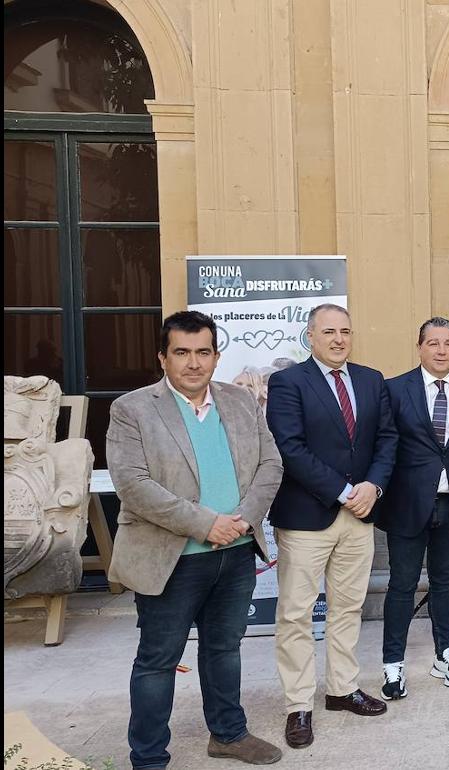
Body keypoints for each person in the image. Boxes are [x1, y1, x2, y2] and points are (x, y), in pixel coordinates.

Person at [107, 311, 284, 769]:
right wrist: (205, 524)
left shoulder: (241, 402)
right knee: (157, 660)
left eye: (202, 352)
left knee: (224, 650)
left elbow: (271, 465)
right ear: (162, 358)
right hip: (173, 559)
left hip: (237, 551)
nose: (193, 363)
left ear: (215, 356)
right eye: (181, 353)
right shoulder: (133, 409)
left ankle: (227, 734)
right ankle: (147, 758)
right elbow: (134, 485)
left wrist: (244, 518)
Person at [265, 303, 397, 747]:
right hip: (307, 518)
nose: (338, 339)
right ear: (310, 336)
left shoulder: (371, 380)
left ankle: (342, 689)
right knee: (297, 614)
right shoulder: (287, 382)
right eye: (328, 332)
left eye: (345, 331)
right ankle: (298, 705)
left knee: (347, 608)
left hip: (360, 515)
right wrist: (345, 491)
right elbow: (291, 448)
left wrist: (374, 486)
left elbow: (387, 440)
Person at [375, 317, 449, 697]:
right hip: (407, 506)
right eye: (434, 343)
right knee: (402, 586)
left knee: (444, 583)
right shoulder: (394, 389)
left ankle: (446, 655)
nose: (442, 350)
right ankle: (393, 665)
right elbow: (385, 446)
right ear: (419, 347)